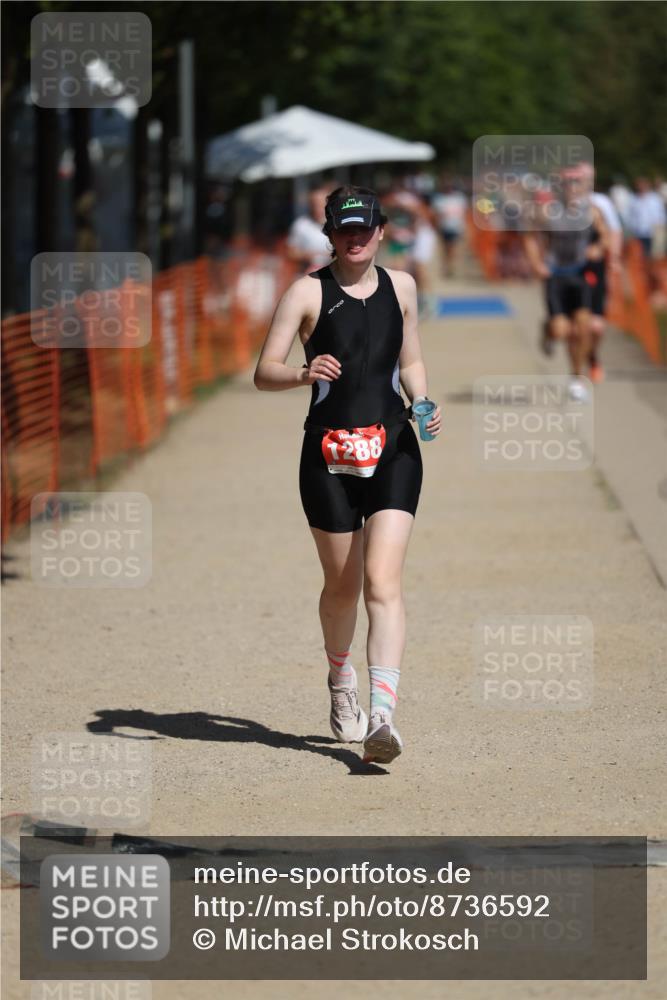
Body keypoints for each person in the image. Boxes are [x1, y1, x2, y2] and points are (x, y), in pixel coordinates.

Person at [254, 186, 441, 765]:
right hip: (329, 456)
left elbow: (408, 357)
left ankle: (383, 716)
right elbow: (263, 372)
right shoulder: (307, 291)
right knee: (344, 588)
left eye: (365, 229)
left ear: (381, 231)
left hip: (393, 449)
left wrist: (424, 400)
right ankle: (341, 682)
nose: (355, 239)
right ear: (330, 234)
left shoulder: (402, 287)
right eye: (344, 230)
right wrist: (303, 373)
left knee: (383, 582)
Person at [523, 167, 610, 402]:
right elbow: (530, 237)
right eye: (567, 184)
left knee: (582, 329)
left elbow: (606, 235)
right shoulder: (547, 211)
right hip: (556, 276)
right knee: (562, 330)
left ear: (583, 188)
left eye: (576, 184)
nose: (572, 189)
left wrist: (598, 248)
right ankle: (549, 332)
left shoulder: (591, 212)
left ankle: (576, 378)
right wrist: (536, 264)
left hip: (580, 275)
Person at [286, 186, 332, 273]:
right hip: (307, 273)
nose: (317, 208)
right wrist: (307, 256)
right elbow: (290, 253)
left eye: (321, 204)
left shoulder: (337, 224)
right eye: (314, 204)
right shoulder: (300, 225)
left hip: (335, 276)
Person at [432, 178, 467, 276]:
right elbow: (436, 215)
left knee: (453, 248)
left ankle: (451, 267)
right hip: (444, 227)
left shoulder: (460, 198)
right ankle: (447, 266)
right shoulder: (439, 199)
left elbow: (464, 213)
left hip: (456, 227)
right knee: (445, 249)